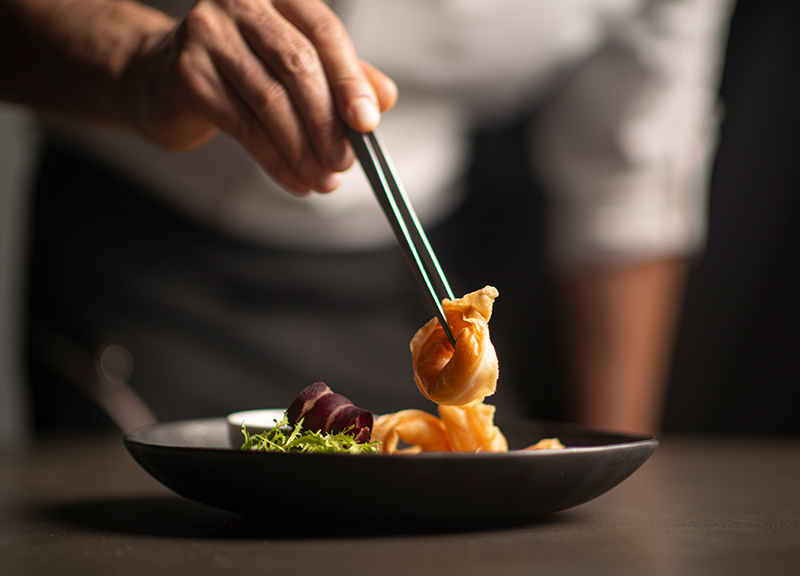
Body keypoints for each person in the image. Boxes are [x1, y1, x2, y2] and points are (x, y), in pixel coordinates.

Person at [0, 0, 736, 435]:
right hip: (144, 262)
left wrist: (619, 482)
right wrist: (140, 61)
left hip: (400, 274)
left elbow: (627, 176)